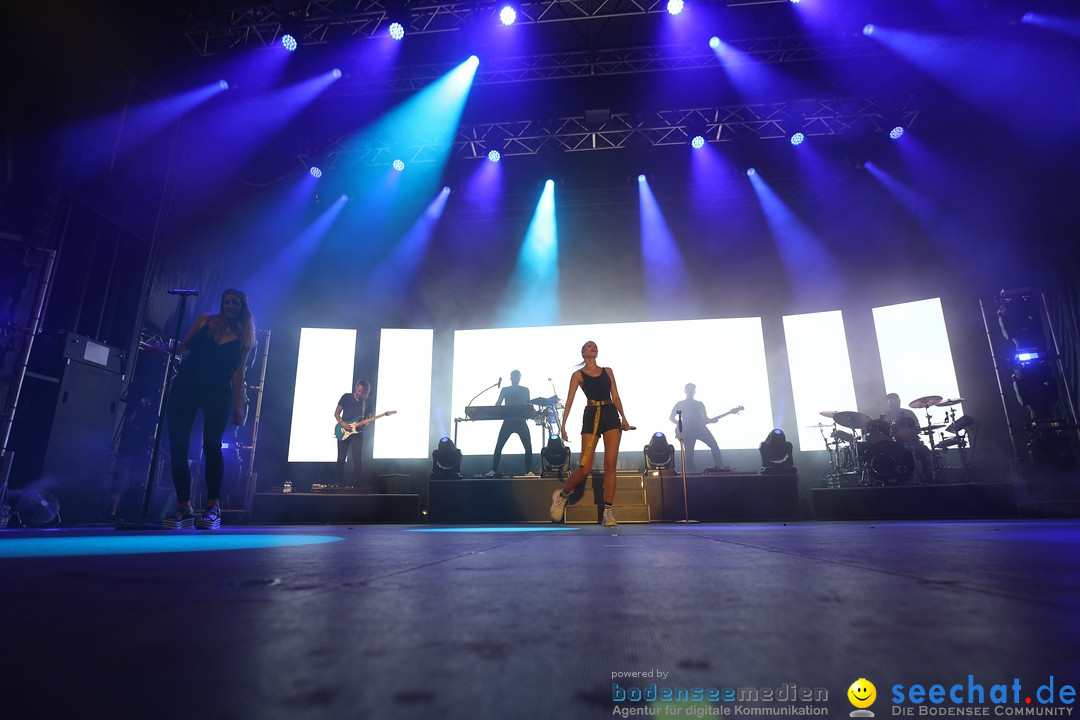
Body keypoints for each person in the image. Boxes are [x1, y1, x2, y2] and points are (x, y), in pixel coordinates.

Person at [164, 289, 255, 529]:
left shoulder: (244, 337)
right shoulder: (205, 320)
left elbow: (238, 373)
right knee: (179, 447)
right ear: (222, 303)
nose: (230, 306)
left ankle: (213, 507)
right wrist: (162, 349)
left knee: (212, 446)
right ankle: (184, 507)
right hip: (187, 385)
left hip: (218, 391)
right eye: (227, 301)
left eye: (235, 302)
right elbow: (184, 347)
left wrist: (239, 407)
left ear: (242, 307)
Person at [549, 341, 632, 527]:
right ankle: (562, 495)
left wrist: (624, 418)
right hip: (591, 415)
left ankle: (608, 511)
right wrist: (563, 426)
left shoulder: (607, 371)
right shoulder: (577, 375)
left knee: (610, 465)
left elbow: (615, 396)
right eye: (589, 346)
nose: (593, 347)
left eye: (595, 346)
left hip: (610, 414)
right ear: (583, 352)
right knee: (584, 467)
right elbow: (569, 401)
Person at [669, 383, 724, 472]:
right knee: (689, 454)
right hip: (688, 431)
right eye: (688, 389)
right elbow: (671, 417)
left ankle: (721, 468)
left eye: (692, 389)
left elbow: (704, 418)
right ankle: (692, 474)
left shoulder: (699, 404)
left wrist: (711, 421)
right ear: (685, 391)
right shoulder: (680, 404)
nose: (690, 391)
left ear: (694, 391)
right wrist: (678, 424)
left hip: (700, 429)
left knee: (714, 446)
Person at [488, 370, 534, 477]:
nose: (516, 379)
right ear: (511, 378)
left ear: (520, 378)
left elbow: (528, 405)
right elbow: (498, 403)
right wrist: (495, 408)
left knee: (528, 447)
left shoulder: (525, 390)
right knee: (499, 446)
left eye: (518, 377)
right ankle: (493, 470)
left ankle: (528, 471)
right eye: (514, 377)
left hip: (521, 421)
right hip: (508, 421)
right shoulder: (505, 390)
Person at [335, 379, 372, 487]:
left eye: (362, 392)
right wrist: (342, 423)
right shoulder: (346, 397)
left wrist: (364, 424)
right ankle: (338, 483)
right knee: (341, 457)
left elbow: (367, 420)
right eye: (358, 390)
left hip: (357, 433)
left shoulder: (367, 402)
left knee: (357, 458)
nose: (359, 393)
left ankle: (356, 485)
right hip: (343, 430)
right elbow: (336, 413)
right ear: (356, 387)